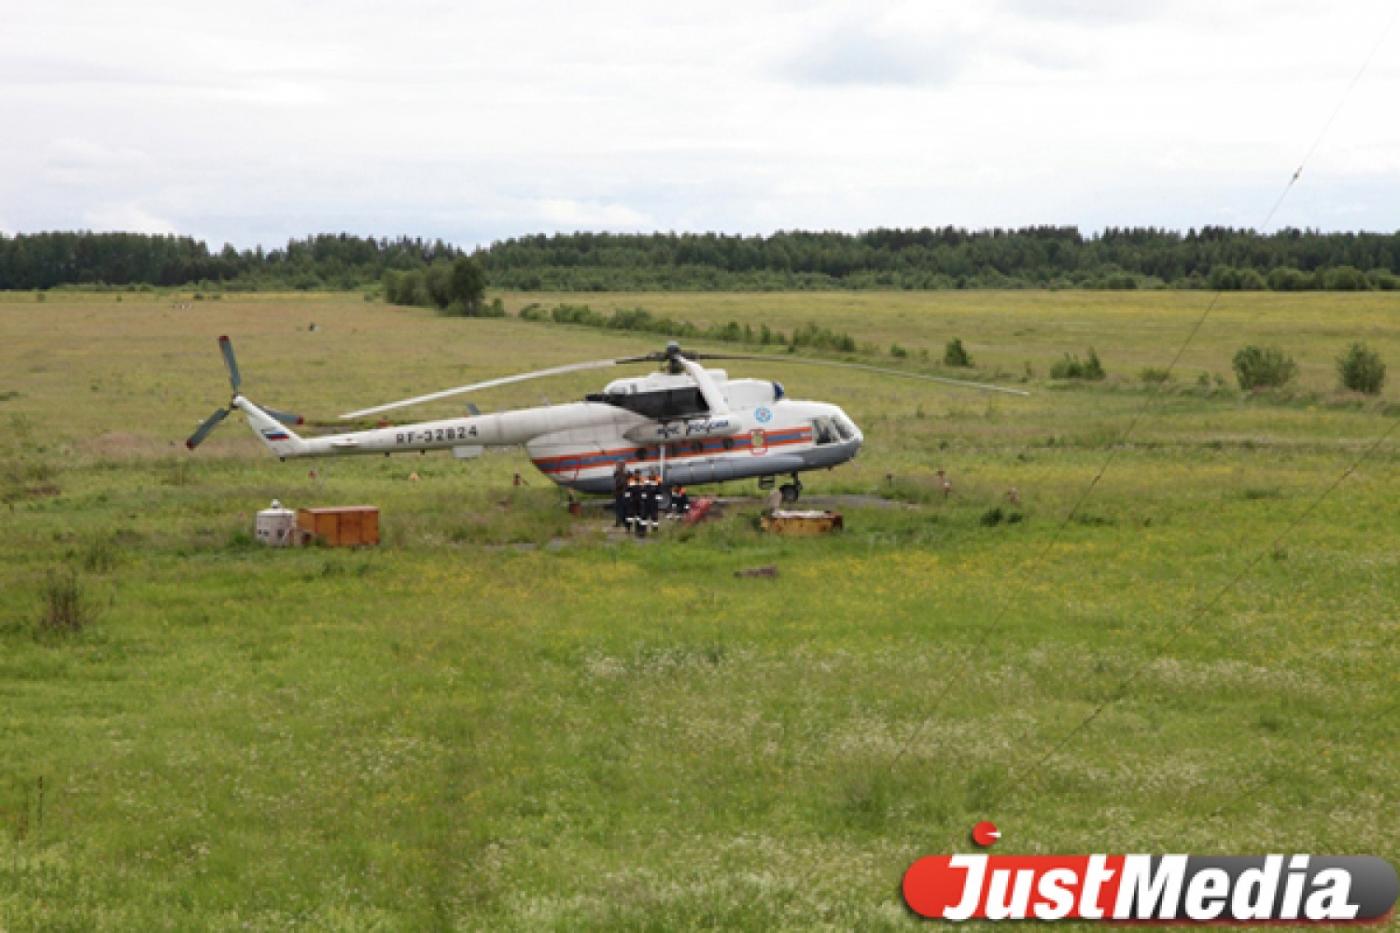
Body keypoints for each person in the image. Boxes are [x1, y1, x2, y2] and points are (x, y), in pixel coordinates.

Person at [612, 461, 628, 527]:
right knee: (619, 508)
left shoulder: (623, 474)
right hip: (619, 493)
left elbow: (621, 484)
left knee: (621, 508)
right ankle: (620, 522)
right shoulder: (618, 473)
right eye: (617, 465)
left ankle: (622, 522)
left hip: (622, 493)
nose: (617, 467)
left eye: (618, 465)